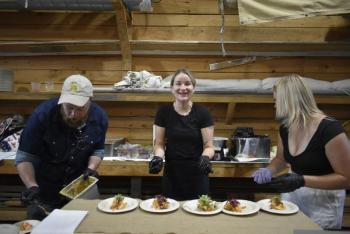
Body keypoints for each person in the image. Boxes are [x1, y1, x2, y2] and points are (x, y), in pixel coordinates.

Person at [252, 74, 350, 229]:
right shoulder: (286, 127)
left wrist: (301, 180)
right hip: (293, 199)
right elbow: (281, 159)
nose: (275, 105)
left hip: (323, 205)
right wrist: (269, 170)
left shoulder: (330, 129)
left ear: (288, 100)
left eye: (276, 101)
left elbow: (346, 178)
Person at [16, 74, 108, 220]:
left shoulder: (100, 118)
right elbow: (24, 157)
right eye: (69, 107)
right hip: (44, 191)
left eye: (80, 109)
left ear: (90, 101)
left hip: (79, 191)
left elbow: (98, 150)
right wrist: (31, 186)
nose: (72, 115)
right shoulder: (42, 115)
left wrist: (91, 168)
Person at [149, 68, 215, 200]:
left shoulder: (203, 113)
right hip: (172, 174)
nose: (183, 88)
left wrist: (205, 158)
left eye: (187, 83)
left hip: (197, 173)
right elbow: (159, 143)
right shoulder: (163, 112)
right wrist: (158, 157)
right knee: (171, 213)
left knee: (199, 213)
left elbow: (209, 146)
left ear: (193, 88)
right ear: (172, 88)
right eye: (178, 83)